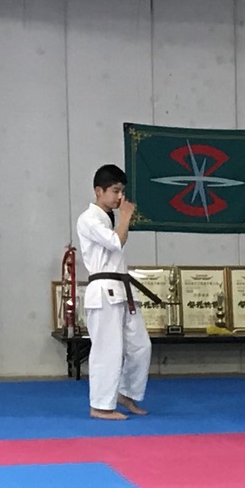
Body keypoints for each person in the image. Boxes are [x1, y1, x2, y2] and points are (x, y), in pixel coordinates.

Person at [76, 163, 149, 423]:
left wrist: (122, 218)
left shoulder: (106, 219)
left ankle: (125, 393)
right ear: (99, 191)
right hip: (103, 291)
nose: (120, 197)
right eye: (115, 191)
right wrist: (126, 217)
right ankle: (100, 405)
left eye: (122, 191)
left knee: (141, 346)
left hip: (121, 289)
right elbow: (116, 242)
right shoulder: (89, 219)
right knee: (107, 350)